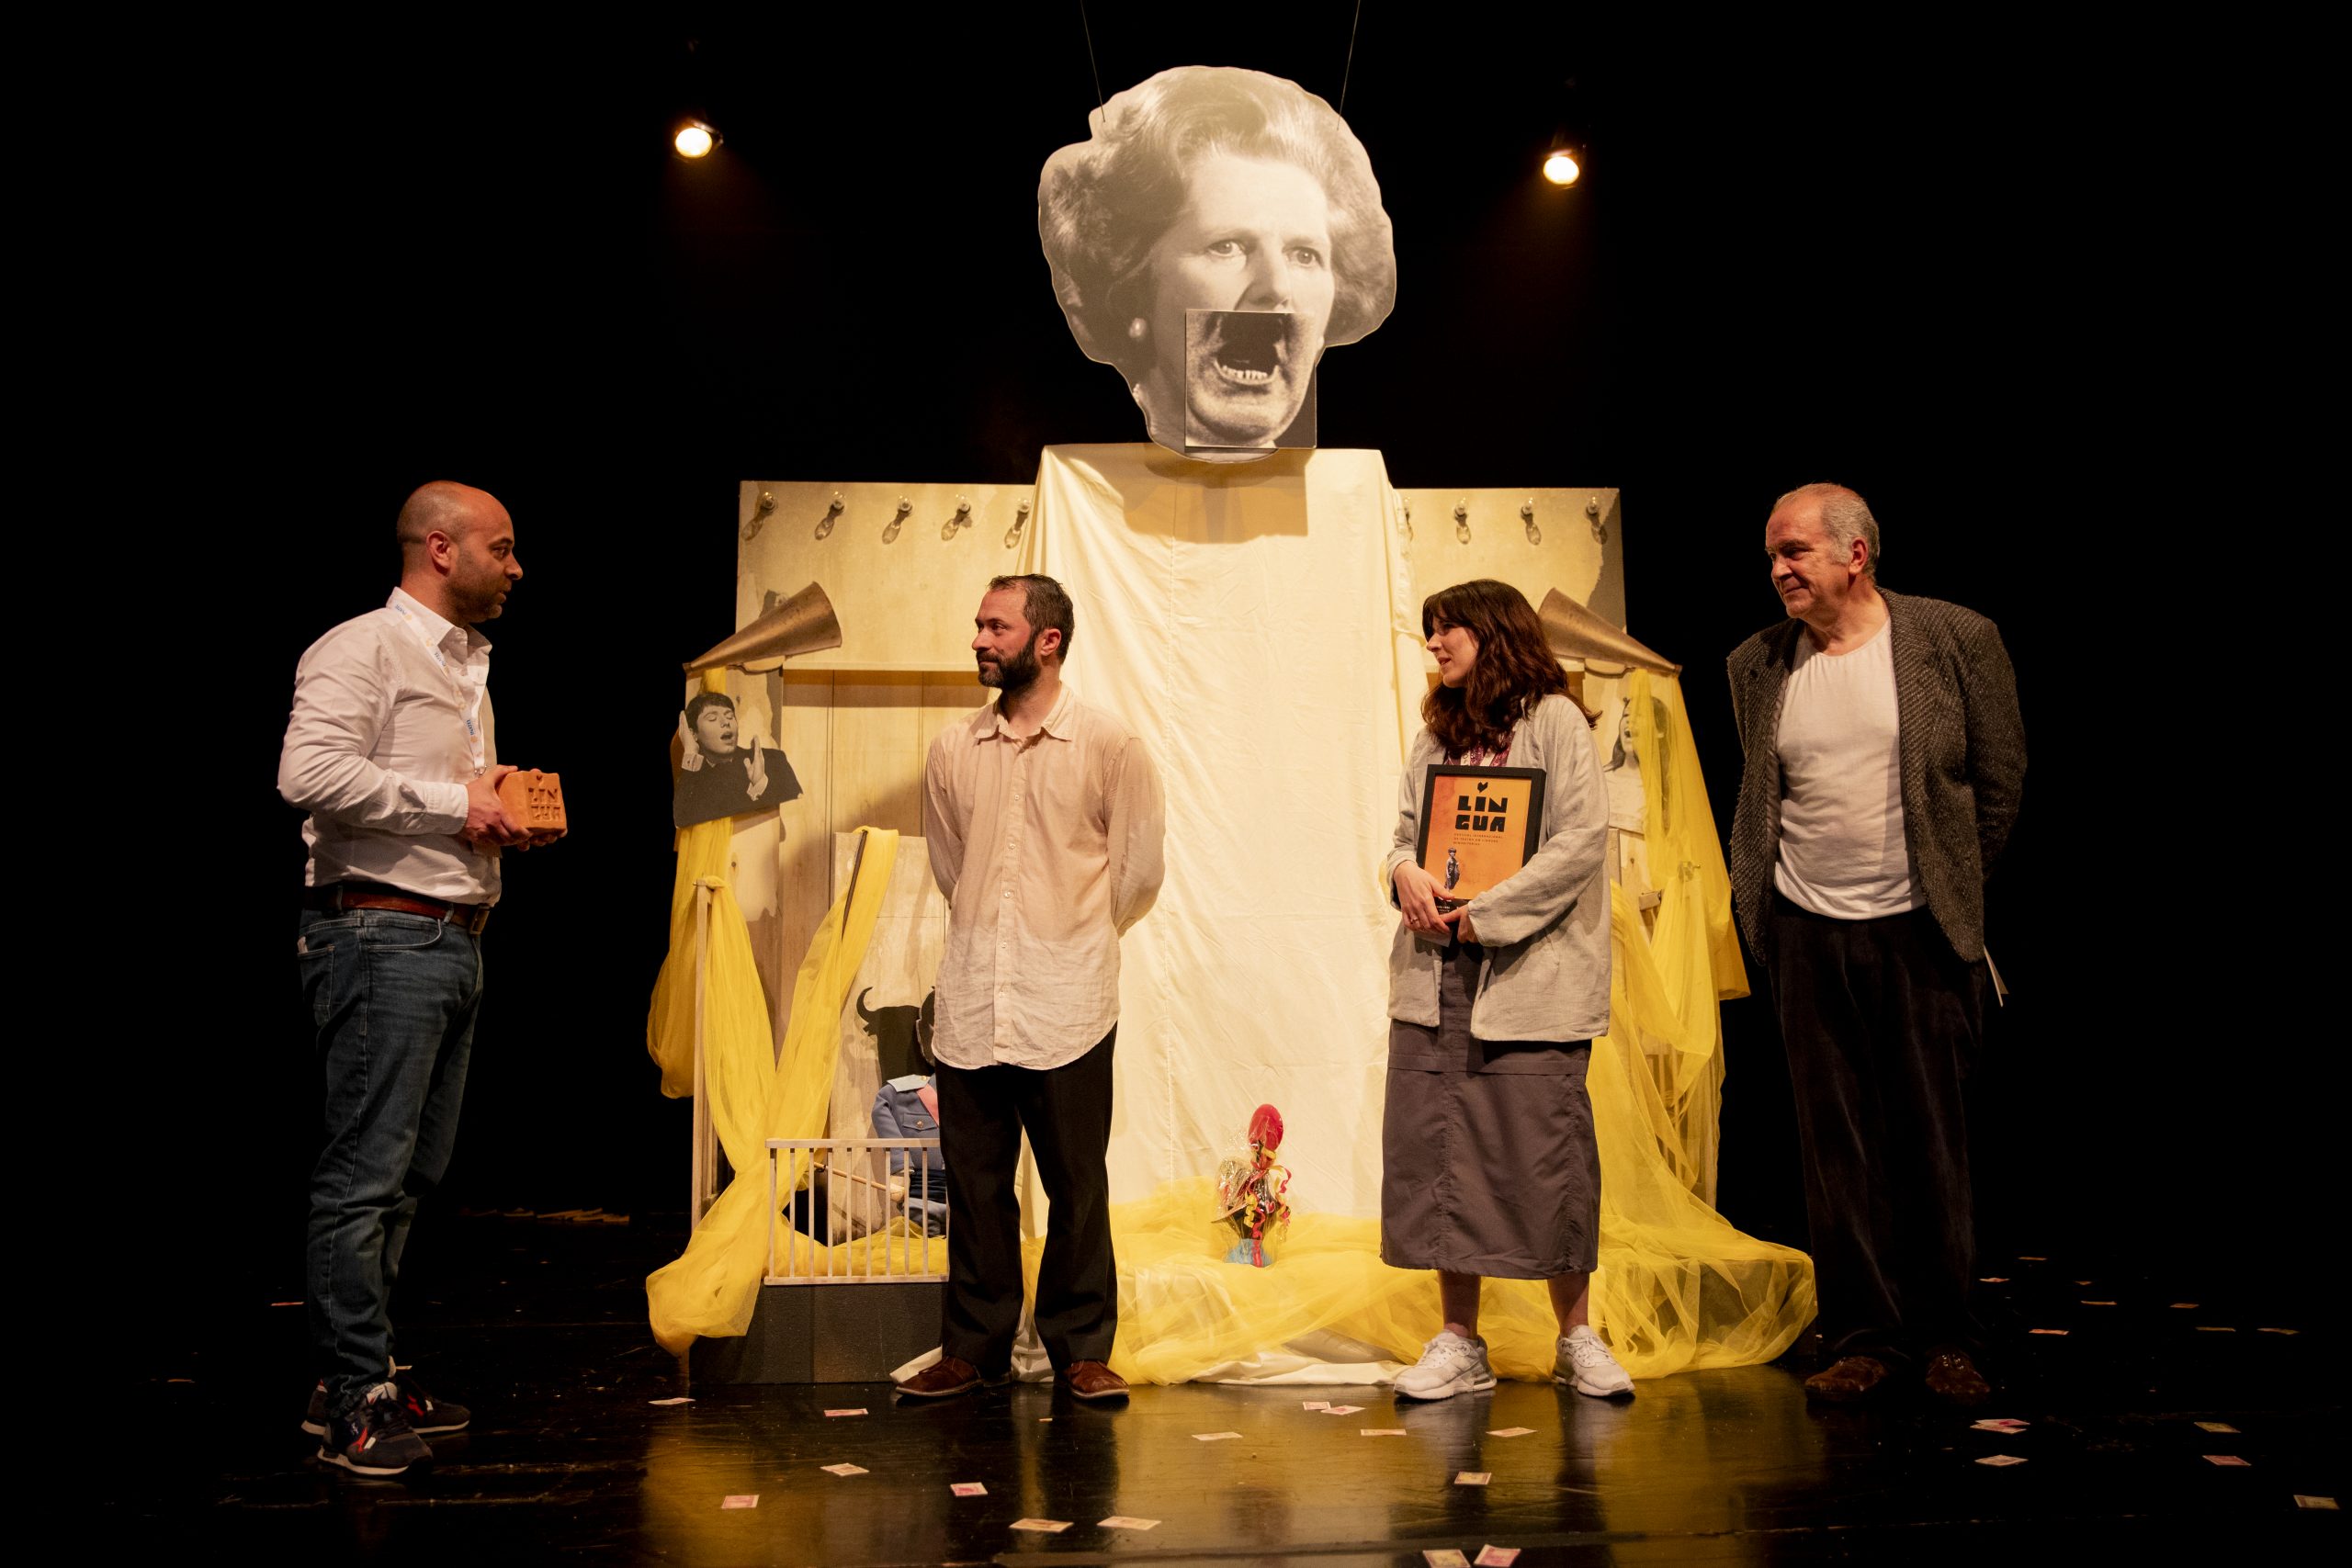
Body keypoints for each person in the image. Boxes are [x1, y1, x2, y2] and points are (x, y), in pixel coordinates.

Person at [1726, 483, 2025, 1406]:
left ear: (1855, 555)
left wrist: (1944, 886)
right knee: (1834, 1148)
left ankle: (1947, 1338)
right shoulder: (1756, 664)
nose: (1777, 569)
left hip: (1918, 930)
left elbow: (1996, 782)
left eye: (1795, 551)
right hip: (1806, 934)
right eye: (1772, 554)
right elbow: (1765, 798)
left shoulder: (1952, 639)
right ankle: (1863, 1335)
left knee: (1931, 1142)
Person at [278, 480, 550, 1475]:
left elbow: (445, 803)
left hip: (448, 938)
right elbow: (306, 774)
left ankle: (357, 1372)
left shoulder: (465, 666)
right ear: (441, 548)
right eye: (504, 548)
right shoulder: (363, 648)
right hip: (378, 937)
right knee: (364, 1176)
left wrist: (496, 815)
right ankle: (356, 1398)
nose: (516, 567)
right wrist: (454, 806)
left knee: (409, 1179)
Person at [897, 574, 1165, 1402]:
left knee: (1076, 1183)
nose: (978, 639)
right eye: (978, 624)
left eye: (996, 626)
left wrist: (1069, 939)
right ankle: (972, 1347)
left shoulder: (1109, 746)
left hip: (1069, 1002)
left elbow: (1139, 874)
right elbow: (951, 866)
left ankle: (1081, 1347)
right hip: (977, 997)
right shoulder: (952, 750)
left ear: (1046, 640)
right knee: (975, 1187)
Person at [1380, 579, 1634, 1401]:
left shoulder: (1555, 721)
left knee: (1547, 1154)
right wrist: (1404, 874)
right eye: (1430, 633)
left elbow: (1578, 842)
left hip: (1528, 975)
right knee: (1442, 1154)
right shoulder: (1434, 735)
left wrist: (1484, 913)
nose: (1435, 644)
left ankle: (1577, 1336)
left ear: (1493, 632)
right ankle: (1459, 1339)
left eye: (1447, 629)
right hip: (1437, 976)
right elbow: (1399, 838)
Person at [1038, 64, 1396, 457]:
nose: (1277, 287)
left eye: (1304, 255)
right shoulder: (1072, 495)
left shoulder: (1357, 500)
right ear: (1132, 289)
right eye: (1227, 246)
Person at [672, 690, 801, 829]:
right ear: (693, 734)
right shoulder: (694, 778)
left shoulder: (773, 760)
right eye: (712, 719)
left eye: (730, 716)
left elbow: (795, 813)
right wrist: (691, 752)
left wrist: (759, 785)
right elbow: (681, 820)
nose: (725, 723)